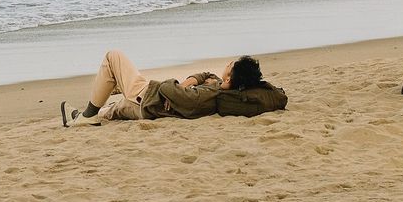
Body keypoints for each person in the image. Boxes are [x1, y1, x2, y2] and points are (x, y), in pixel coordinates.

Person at [60, 48, 285, 125]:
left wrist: (178, 87)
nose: (228, 63)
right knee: (115, 102)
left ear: (229, 79)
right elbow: (206, 74)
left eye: (232, 65)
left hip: (146, 97)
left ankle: (87, 117)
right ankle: (91, 112)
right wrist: (190, 82)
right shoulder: (218, 86)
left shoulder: (211, 92)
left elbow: (176, 93)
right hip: (148, 102)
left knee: (113, 57)